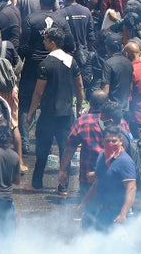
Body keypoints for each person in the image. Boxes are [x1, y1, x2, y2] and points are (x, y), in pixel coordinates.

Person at [26, 27, 83, 190]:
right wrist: (79, 108)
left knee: (42, 150)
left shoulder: (45, 64)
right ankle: (63, 187)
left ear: (52, 42)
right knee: (65, 151)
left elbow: (38, 92)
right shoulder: (71, 61)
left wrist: (30, 113)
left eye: (45, 39)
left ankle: (37, 183)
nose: (43, 42)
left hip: (48, 115)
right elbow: (80, 87)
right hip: (66, 114)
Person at [77, 124, 135, 231]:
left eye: (114, 141)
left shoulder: (125, 162)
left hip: (117, 213)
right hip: (102, 212)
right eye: (108, 141)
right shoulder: (102, 157)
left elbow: (131, 189)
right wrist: (84, 203)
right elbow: (97, 183)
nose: (111, 144)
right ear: (103, 141)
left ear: (120, 141)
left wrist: (123, 214)